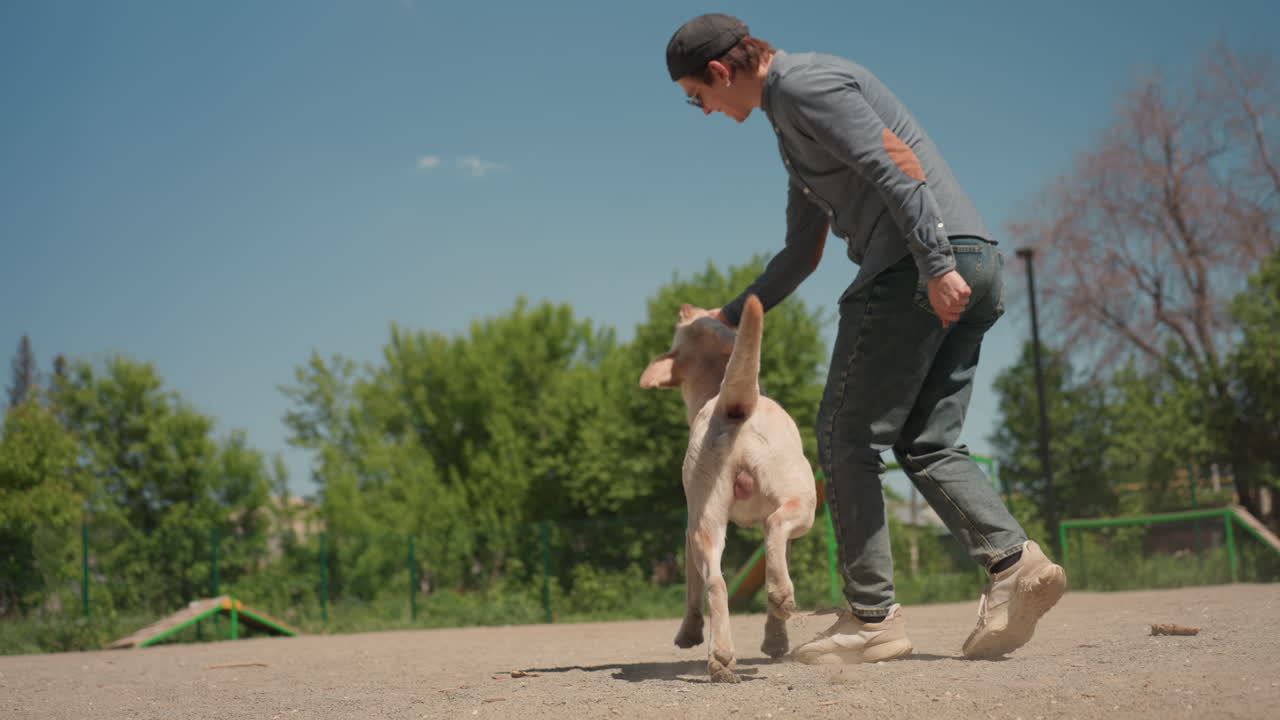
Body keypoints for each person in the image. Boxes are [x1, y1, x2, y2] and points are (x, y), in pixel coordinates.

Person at [664, 13, 1067, 663]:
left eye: (695, 96)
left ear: (719, 72)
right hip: (975, 259)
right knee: (928, 441)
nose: (703, 110)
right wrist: (729, 315)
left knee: (846, 434)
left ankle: (872, 615)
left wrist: (934, 266)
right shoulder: (791, 128)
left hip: (916, 264)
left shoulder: (804, 87)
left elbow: (896, 167)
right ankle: (1015, 563)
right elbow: (800, 253)